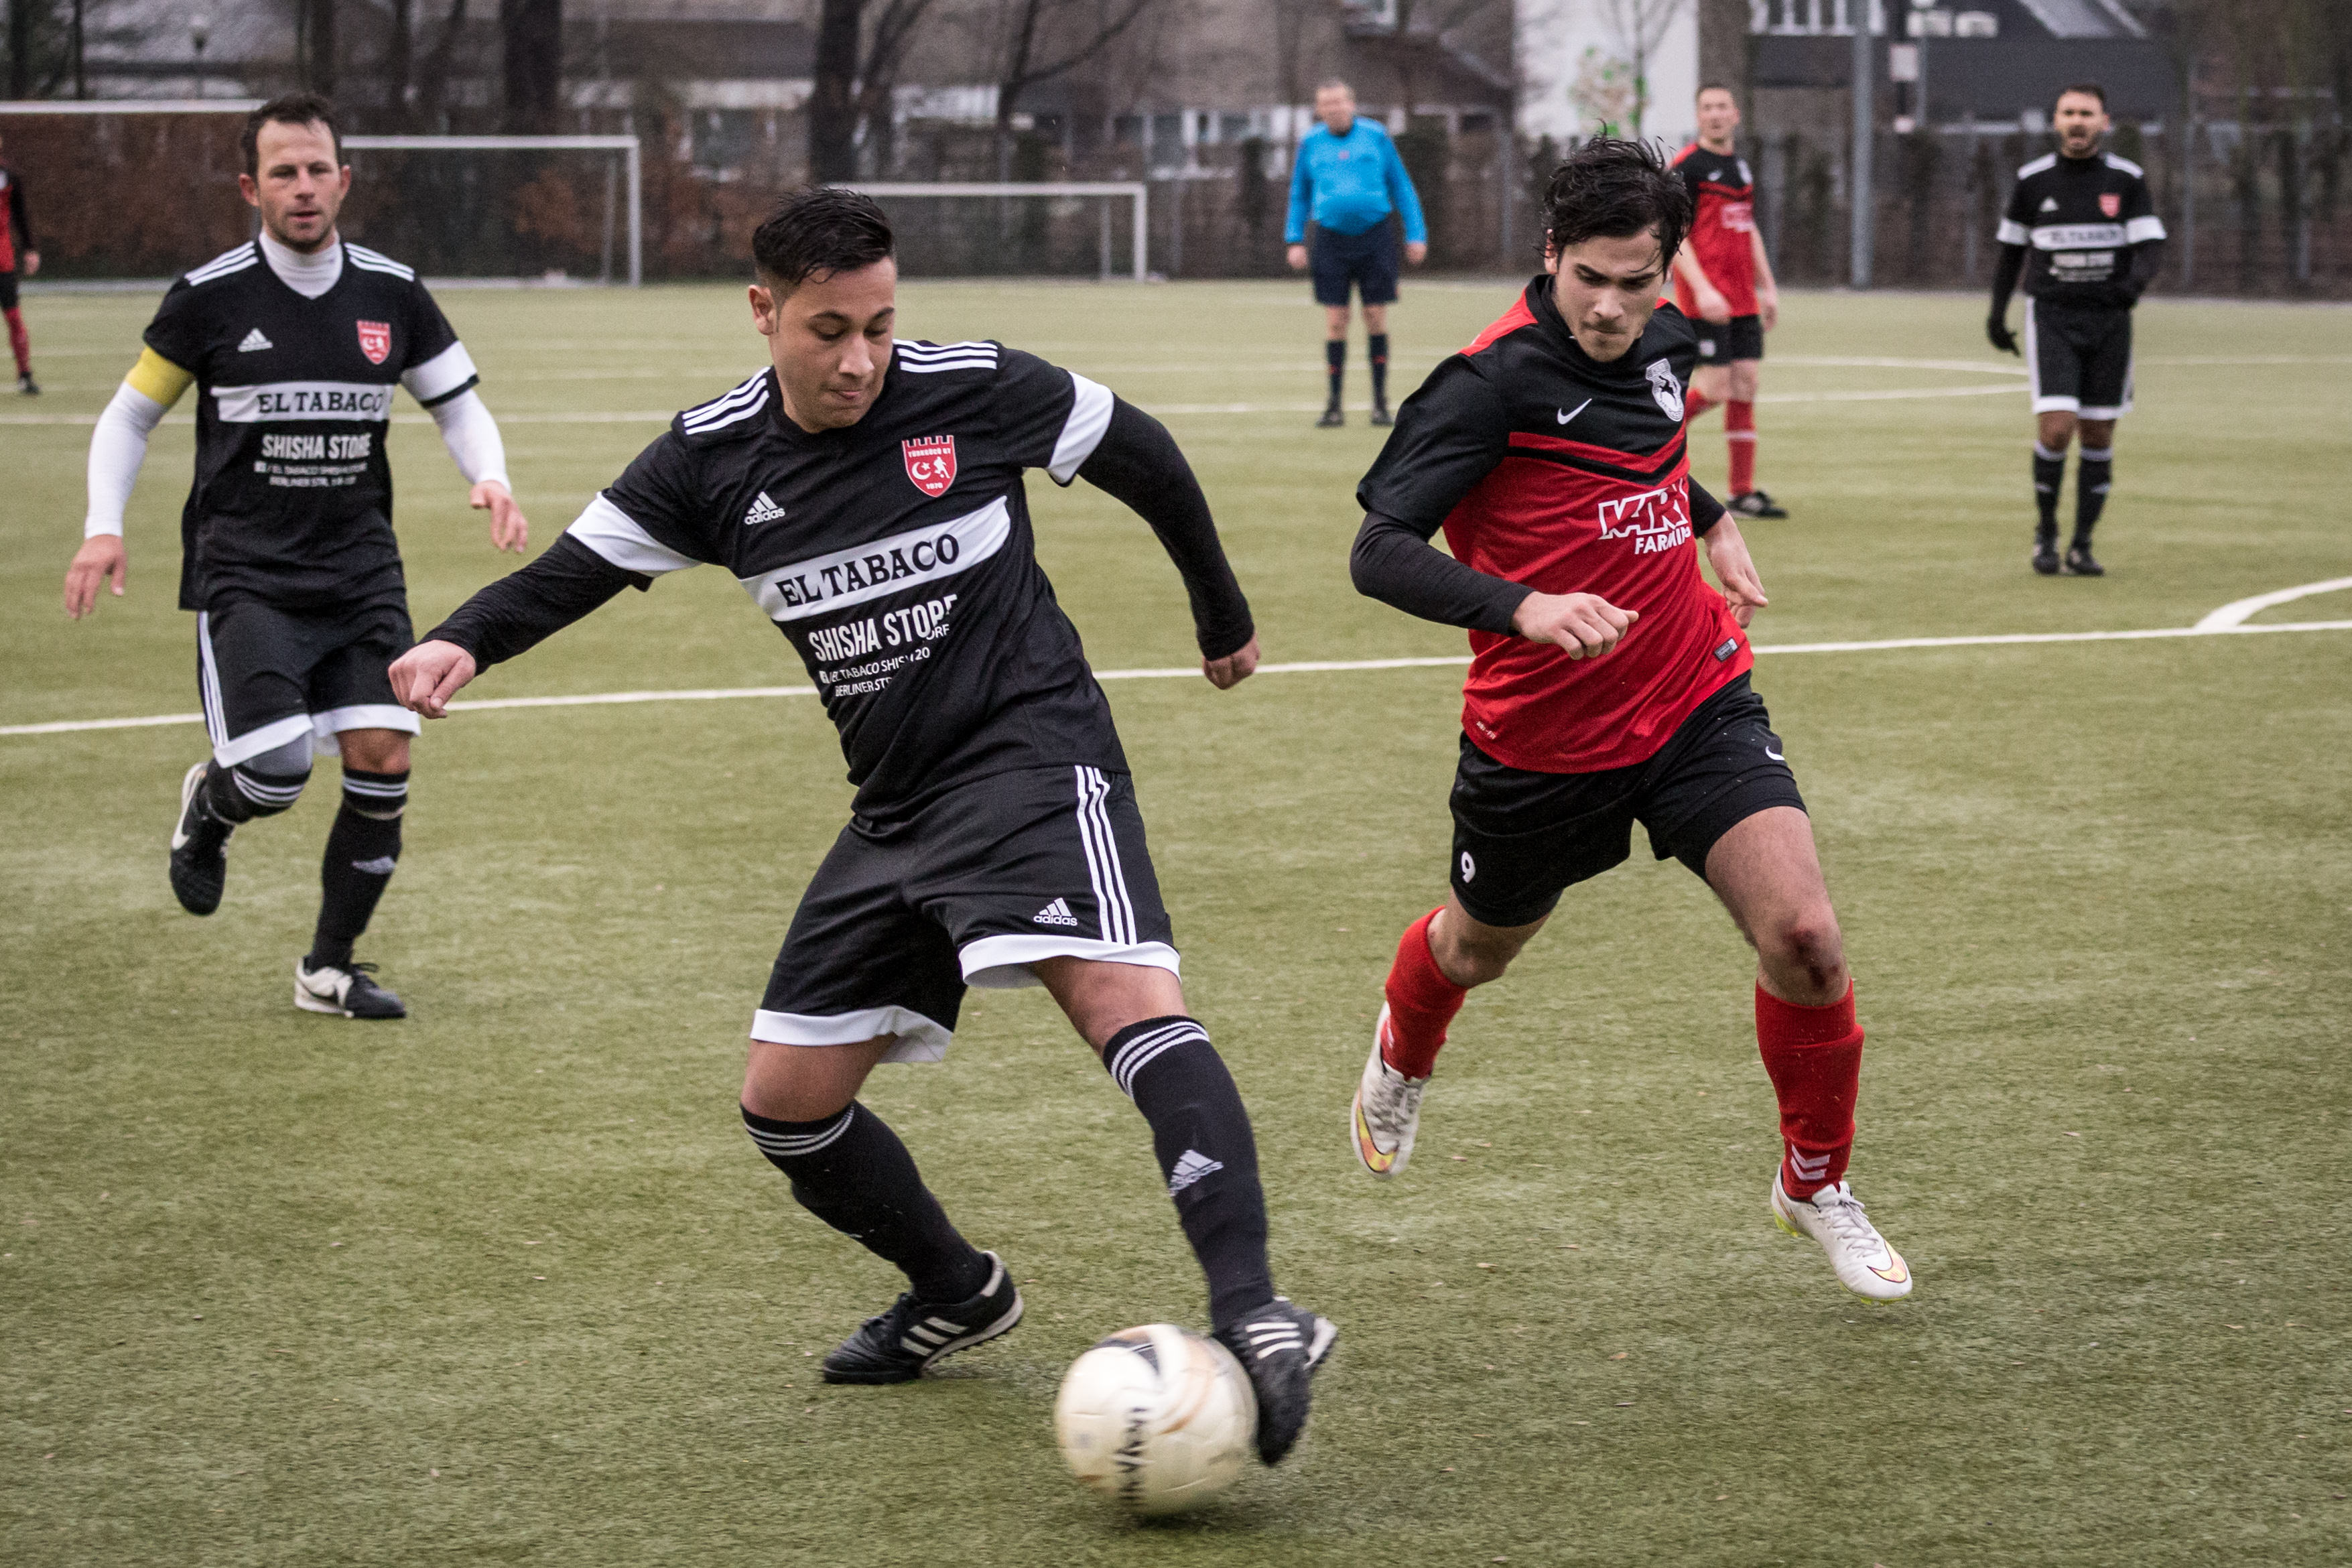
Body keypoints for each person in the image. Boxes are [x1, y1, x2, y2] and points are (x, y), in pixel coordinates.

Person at [385, 188, 1337, 1459]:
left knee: (1125, 1003)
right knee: (786, 1103)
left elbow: (1144, 452)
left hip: (1030, 759)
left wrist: (1220, 612)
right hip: (894, 807)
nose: (860, 361)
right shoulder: (710, 459)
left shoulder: (972, 390)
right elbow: (575, 571)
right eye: (829, 330)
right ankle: (958, 1288)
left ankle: (1255, 1310)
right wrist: (461, 640)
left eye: (880, 327)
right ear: (763, 312)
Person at [1344, 137, 1911, 1303]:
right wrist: (1524, 606)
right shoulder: (1485, 384)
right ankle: (1404, 1047)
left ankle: (1814, 1182)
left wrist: (1708, 518)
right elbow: (1378, 549)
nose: (1608, 307)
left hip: (1694, 693)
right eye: (1587, 279)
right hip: (1540, 744)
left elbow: (1648, 447)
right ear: (1550, 253)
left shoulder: (1666, 341)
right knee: (1475, 949)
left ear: (1666, 273)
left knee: (1806, 937)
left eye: (1634, 282)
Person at [60, 92, 529, 1019]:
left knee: (384, 758)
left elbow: (457, 403)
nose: (303, 187)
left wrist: (492, 475)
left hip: (361, 570)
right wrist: (101, 524)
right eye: (283, 172)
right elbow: (129, 417)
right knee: (274, 771)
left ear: (344, 180)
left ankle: (329, 969)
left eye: (318, 169)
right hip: (247, 572)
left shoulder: (392, 292)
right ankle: (212, 808)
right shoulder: (210, 296)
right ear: (251, 187)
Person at [1987, 82, 2165, 578]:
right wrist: (1997, 314)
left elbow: (2151, 246)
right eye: (2069, 113)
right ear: (2056, 122)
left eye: (2087, 113)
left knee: (2099, 432)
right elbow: (2011, 253)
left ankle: (2083, 544)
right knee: (2057, 427)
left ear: (2104, 122)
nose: (2077, 121)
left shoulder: (2126, 180)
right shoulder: (2033, 181)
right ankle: (2046, 533)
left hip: (2109, 322)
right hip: (2053, 317)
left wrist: (2130, 288)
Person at [1285, 79, 1429, 428]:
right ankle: (1334, 406)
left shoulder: (1376, 136)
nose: (1334, 109)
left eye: (1339, 102)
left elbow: (1402, 186)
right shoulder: (1311, 143)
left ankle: (1380, 404)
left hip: (1375, 237)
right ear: (1319, 110)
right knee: (1336, 321)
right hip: (1330, 240)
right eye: (1326, 104)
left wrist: (1416, 234)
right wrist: (1294, 239)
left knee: (1375, 317)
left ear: (1352, 104)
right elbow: (1299, 193)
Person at [1669, 84, 1784, 518]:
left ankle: (1742, 493)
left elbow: (1747, 227)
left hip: (1743, 300)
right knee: (1716, 388)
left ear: (1736, 114)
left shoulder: (1739, 167)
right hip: (1709, 300)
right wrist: (1702, 288)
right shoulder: (1687, 168)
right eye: (1707, 108)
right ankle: (1645, 436)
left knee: (1746, 385)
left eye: (1722, 107)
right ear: (1698, 116)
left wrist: (1767, 287)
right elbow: (1676, 236)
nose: (1715, 114)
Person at [0, 129, 40, 394]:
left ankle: (25, 374)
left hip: (2, 258)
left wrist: (30, 249)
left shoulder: (10, 177)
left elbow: (20, 214)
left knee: (13, 316)